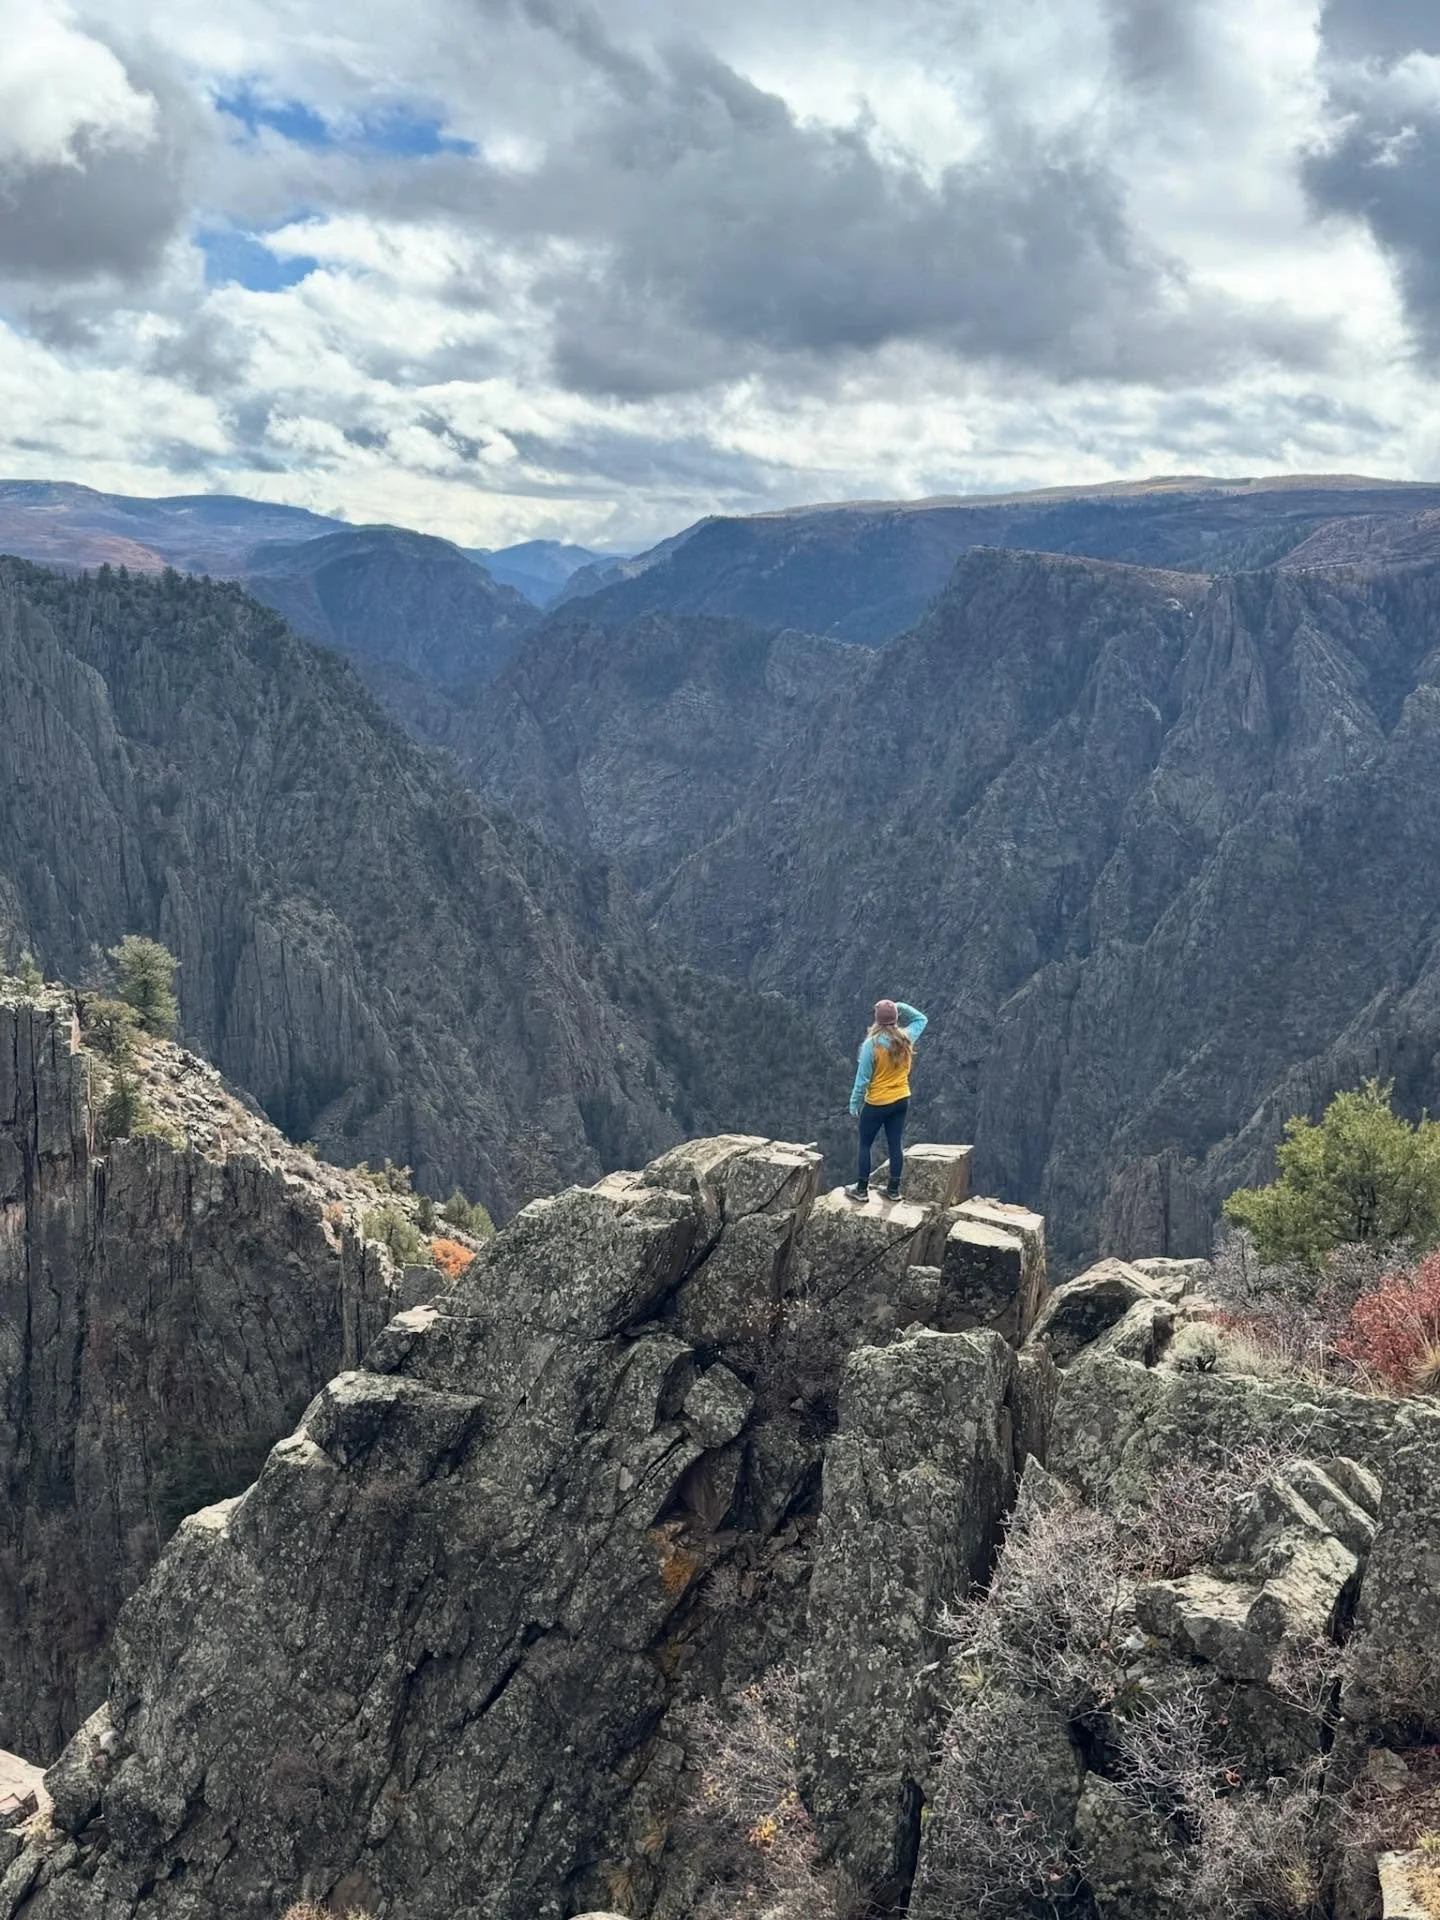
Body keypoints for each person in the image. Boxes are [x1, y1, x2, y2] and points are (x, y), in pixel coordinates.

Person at [847, 998, 928, 1201]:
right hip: (901, 1099)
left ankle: (862, 1190)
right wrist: (899, 1007)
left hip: (877, 1102)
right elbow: (921, 1019)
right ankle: (893, 1190)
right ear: (894, 1019)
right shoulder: (906, 1038)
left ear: (877, 1020)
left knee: (865, 1144)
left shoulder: (871, 1045)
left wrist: (854, 1103)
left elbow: (862, 1079)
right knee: (895, 1144)